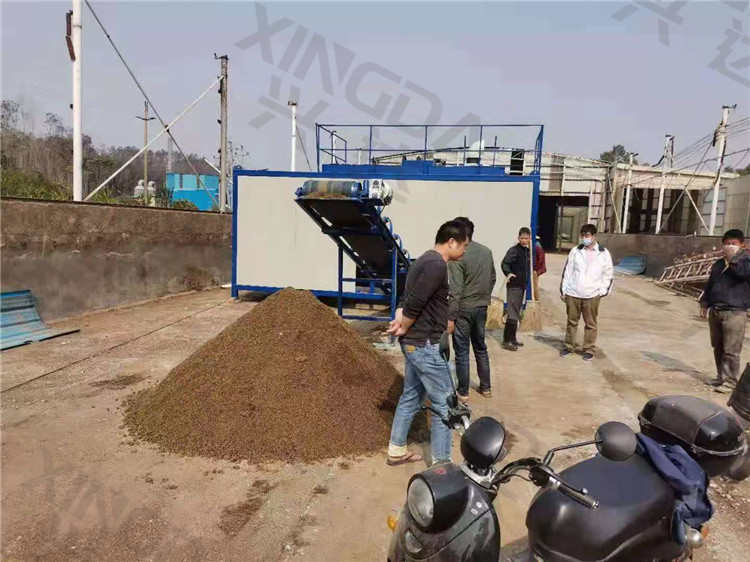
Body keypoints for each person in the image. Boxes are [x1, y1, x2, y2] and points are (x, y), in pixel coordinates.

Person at [386, 220, 470, 466]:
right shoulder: (436, 265)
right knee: (445, 403)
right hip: (423, 345)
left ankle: (396, 449)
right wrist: (404, 325)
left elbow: (406, 298)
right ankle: (442, 464)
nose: (465, 250)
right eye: (463, 245)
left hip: (415, 343)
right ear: (451, 242)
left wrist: (400, 319)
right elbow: (415, 302)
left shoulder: (423, 260)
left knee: (411, 396)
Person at [448, 217, 496, 400]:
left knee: (462, 351)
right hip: (481, 306)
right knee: (480, 347)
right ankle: (486, 388)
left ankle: (463, 392)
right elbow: (492, 278)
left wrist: (450, 316)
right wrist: (483, 297)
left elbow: (455, 290)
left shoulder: (458, 256)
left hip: (463, 308)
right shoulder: (486, 251)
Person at [700, 229, 750, 394]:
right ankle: (721, 376)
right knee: (718, 346)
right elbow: (711, 284)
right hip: (716, 309)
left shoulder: (746, 262)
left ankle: (730, 382)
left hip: (735, 312)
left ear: (742, 245)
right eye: (726, 243)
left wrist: (733, 258)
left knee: (731, 349)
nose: (729, 246)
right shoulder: (719, 264)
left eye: (733, 244)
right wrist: (705, 303)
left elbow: (743, 274)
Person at [559, 224, 613, 361]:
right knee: (572, 322)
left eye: (587, 235)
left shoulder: (603, 253)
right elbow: (568, 271)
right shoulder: (575, 251)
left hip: (592, 294)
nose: (584, 238)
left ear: (594, 236)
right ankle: (569, 347)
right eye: (582, 235)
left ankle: (588, 349)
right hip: (573, 293)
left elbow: (608, 274)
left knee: (590, 324)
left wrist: (601, 292)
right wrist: (564, 290)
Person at [500, 227, 532, 351]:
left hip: (522, 285)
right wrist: (508, 273)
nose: (524, 240)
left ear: (529, 238)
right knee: (512, 312)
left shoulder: (527, 251)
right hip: (514, 285)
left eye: (526, 238)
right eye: (522, 238)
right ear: (518, 238)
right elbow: (505, 263)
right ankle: (507, 340)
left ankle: (513, 338)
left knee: (516, 311)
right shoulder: (514, 251)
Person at [533, 236, 547, 301]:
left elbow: (540, 259)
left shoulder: (536, 246)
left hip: (535, 270)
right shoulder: (538, 246)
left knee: (535, 286)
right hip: (535, 269)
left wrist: (536, 269)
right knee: (535, 286)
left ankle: (537, 301)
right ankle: (536, 300)